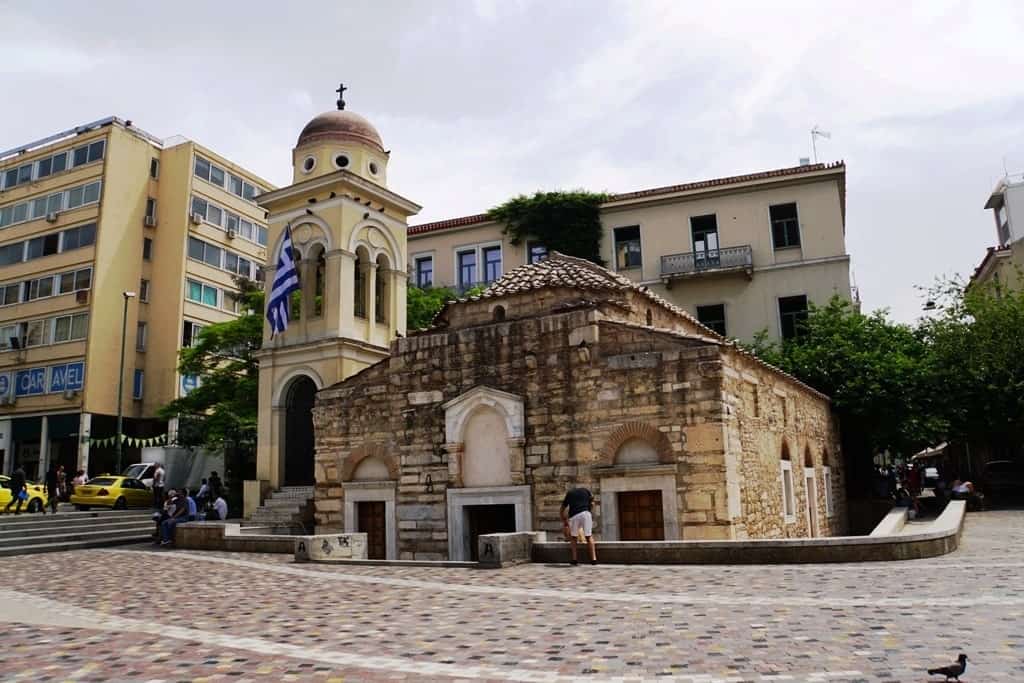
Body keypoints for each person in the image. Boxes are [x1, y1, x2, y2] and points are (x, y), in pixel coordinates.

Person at [560, 486, 597, 566]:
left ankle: (574, 559)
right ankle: (593, 559)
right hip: (586, 514)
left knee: (573, 537)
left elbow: (562, 508)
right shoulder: (586, 490)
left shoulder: (569, 493)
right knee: (589, 536)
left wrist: (564, 520)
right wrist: (589, 512)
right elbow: (592, 503)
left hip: (574, 515)